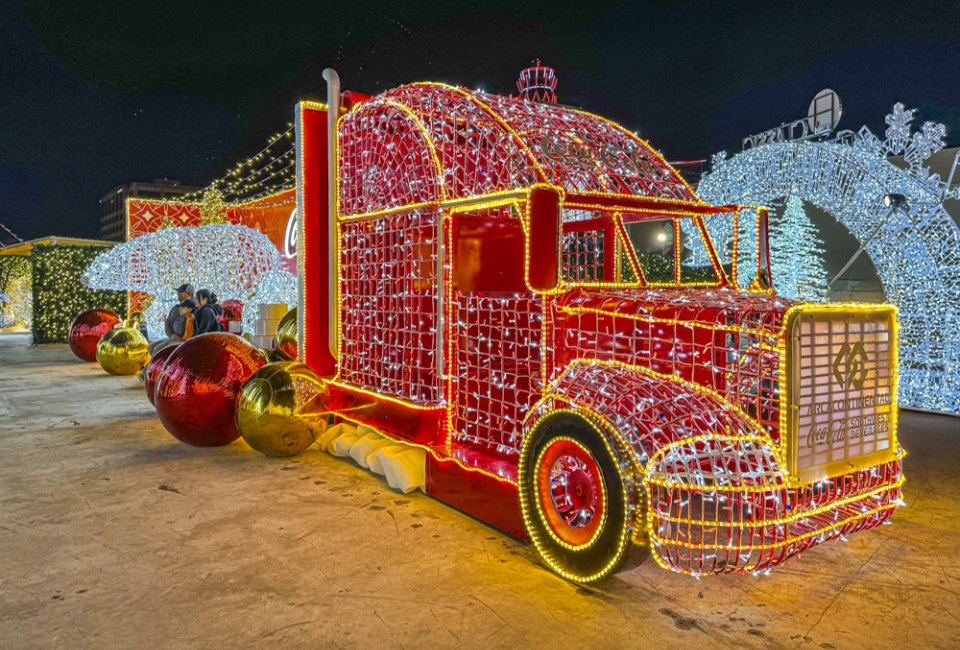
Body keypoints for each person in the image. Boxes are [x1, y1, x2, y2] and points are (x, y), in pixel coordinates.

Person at [147, 283, 194, 356]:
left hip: (183, 341)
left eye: (181, 292)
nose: (178, 293)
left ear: (189, 294)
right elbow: (168, 323)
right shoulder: (175, 308)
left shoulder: (194, 309)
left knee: (157, 350)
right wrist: (172, 335)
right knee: (151, 347)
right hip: (173, 338)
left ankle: (161, 366)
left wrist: (181, 339)